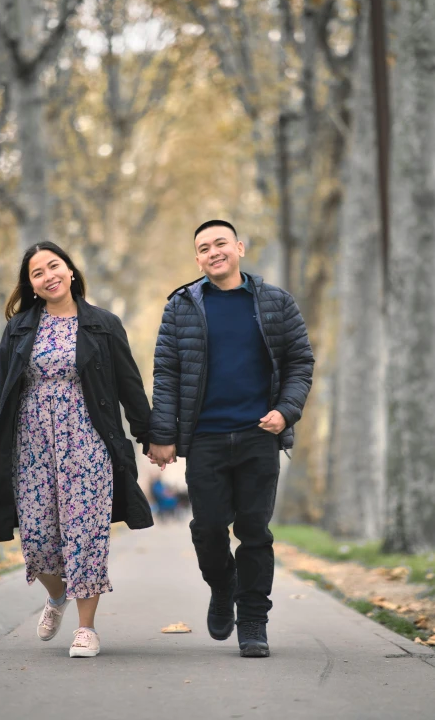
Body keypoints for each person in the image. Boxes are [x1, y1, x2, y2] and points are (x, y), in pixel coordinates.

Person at [0, 241, 152, 658]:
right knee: (38, 540)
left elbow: (129, 385)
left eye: (54, 266)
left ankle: (86, 629)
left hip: (88, 441)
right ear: (32, 285)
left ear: (70, 271)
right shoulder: (20, 328)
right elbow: (0, 390)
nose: (48, 276)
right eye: (37, 273)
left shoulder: (103, 324)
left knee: (86, 535)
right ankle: (56, 597)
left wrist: (152, 435)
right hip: (31, 445)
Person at [148, 220, 314, 658]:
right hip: (205, 438)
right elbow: (165, 374)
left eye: (220, 243)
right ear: (197, 258)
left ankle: (254, 623)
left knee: (255, 532)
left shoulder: (276, 302)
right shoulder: (181, 306)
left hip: (260, 434)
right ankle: (223, 587)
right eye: (203, 247)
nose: (213, 252)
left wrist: (286, 410)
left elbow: (300, 361)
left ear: (238, 247)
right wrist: (162, 434)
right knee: (208, 529)